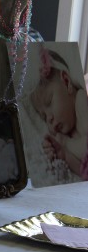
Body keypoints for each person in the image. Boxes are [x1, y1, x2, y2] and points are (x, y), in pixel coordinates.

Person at [30, 46, 88, 178]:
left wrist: (66, 143)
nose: (48, 119)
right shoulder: (71, 134)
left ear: (67, 82)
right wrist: (64, 155)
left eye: (49, 101)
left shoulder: (81, 99)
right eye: (43, 116)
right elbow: (83, 171)